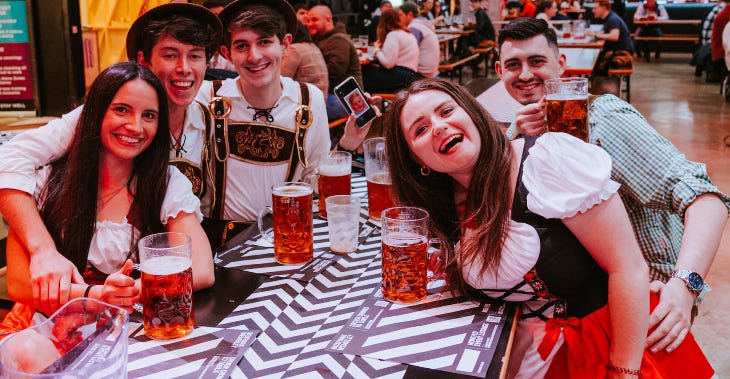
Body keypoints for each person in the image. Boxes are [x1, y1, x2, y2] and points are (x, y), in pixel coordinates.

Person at [383, 77, 715, 378]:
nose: (439, 126)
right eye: (420, 129)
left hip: (611, 339)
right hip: (528, 347)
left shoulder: (549, 160)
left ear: (471, 113)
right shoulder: (444, 208)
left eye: (446, 111)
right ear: (418, 160)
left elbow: (627, 268)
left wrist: (623, 369)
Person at [496, 17, 729, 354]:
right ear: (499, 69)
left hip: (646, 300)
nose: (525, 74)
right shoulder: (520, 133)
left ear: (561, 64)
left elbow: (706, 198)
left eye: (537, 61)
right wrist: (516, 138)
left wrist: (685, 286)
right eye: (513, 64)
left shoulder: (602, 119)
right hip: (583, 307)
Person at [0, 2, 222, 315]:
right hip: (54, 320)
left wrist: (131, 289)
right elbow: (8, 160)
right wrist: (48, 254)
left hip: (130, 317)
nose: (134, 126)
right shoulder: (52, 177)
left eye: (149, 115)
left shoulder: (174, 171)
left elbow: (202, 267)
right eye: (170, 54)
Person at [307, 4, 364, 120]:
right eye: (308, 20)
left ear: (328, 20)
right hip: (337, 95)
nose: (309, 24)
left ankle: (327, 138)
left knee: (303, 107)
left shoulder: (338, 40)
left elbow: (334, 73)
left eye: (314, 20)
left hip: (347, 99)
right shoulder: (322, 39)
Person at [362, 9, 421, 93]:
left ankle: (363, 102)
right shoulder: (407, 33)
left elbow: (388, 64)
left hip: (401, 78)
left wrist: (376, 50)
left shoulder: (393, 35)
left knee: (365, 71)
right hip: (410, 77)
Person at [586, 0, 634, 93]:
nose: (593, 10)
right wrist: (595, 34)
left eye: (595, 8)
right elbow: (607, 33)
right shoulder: (610, 18)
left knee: (597, 63)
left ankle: (602, 92)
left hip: (622, 52)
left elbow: (614, 36)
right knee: (595, 60)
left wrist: (596, 35)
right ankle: (597, 90)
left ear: (603, 8)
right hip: (619, 49)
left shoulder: (612, 19)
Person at [281, 20, 329, 94]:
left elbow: (281, 80)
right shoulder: (312, 46)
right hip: (320, 99)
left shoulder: (295, 50)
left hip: (306, 101)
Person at [399, 1, 440, 78]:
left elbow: (408, 51)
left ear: (409, 14)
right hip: (432, 71)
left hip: (423, 74)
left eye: (401, 15)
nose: (399, 19)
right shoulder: (423, 23)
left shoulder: (414, 27)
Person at [204, 0, 239, 79]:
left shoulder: (237, 44)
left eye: (221, 17)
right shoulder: (197, 47)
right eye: (213, 17)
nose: (218, 22)